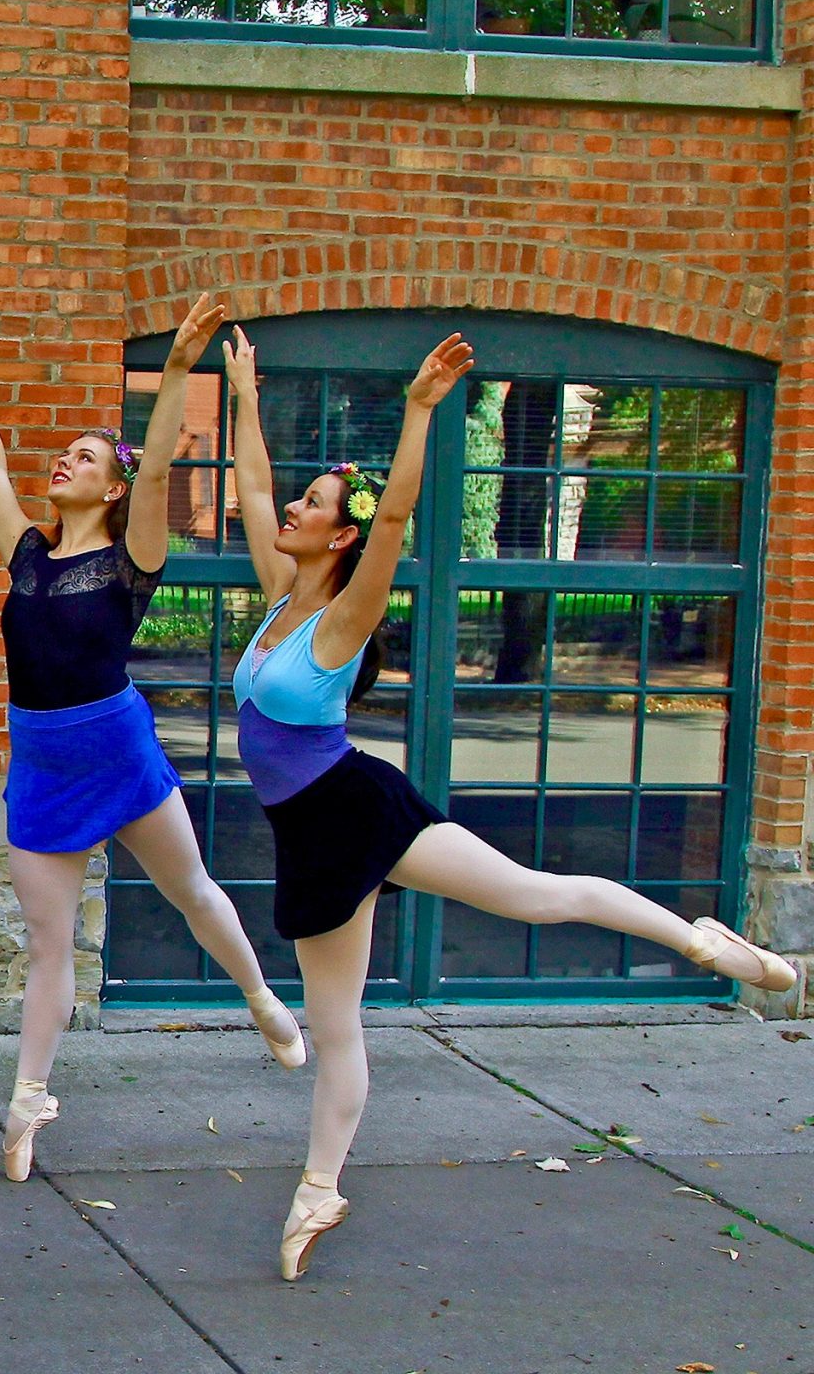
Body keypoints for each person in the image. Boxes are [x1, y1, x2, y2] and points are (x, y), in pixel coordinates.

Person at [222, 323, 798, 1281]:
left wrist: (415, 413)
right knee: (337, 1030)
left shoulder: (342, 618)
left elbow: (398, 519)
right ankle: (319, 1193)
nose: (290, 506)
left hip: (361, 807)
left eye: (313, 502)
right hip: (311, 839)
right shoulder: (282, 591)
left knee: (536, 892)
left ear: (344, 534)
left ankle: (704, 942)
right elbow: (246, 486)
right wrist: (241, 393)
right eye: (300, 495)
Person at [0, 293, 305, 1183]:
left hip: (117, 749)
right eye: (64, 454)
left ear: (113, 487)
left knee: (190, 888)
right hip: (42, 761)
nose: (65, 462)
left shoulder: (131, 554)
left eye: (88, 457)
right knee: (47, 944)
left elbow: (154, 475)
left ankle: (260, 996)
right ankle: (27, 1102)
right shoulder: (27, 554)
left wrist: (177, 369)